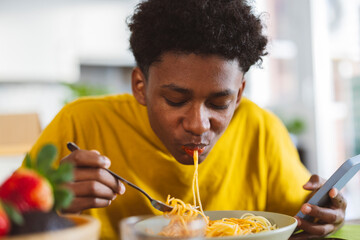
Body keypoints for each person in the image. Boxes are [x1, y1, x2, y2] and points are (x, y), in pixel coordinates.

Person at [27, 0, 346, 239]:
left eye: (219, 103)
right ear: (140, 86)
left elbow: (300, 219)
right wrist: (52, 204)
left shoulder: (260, 130)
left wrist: (323, 214)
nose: (198, 124)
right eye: (176, 100)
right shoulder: (82, 123)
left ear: (238, 94)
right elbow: (11, 219)